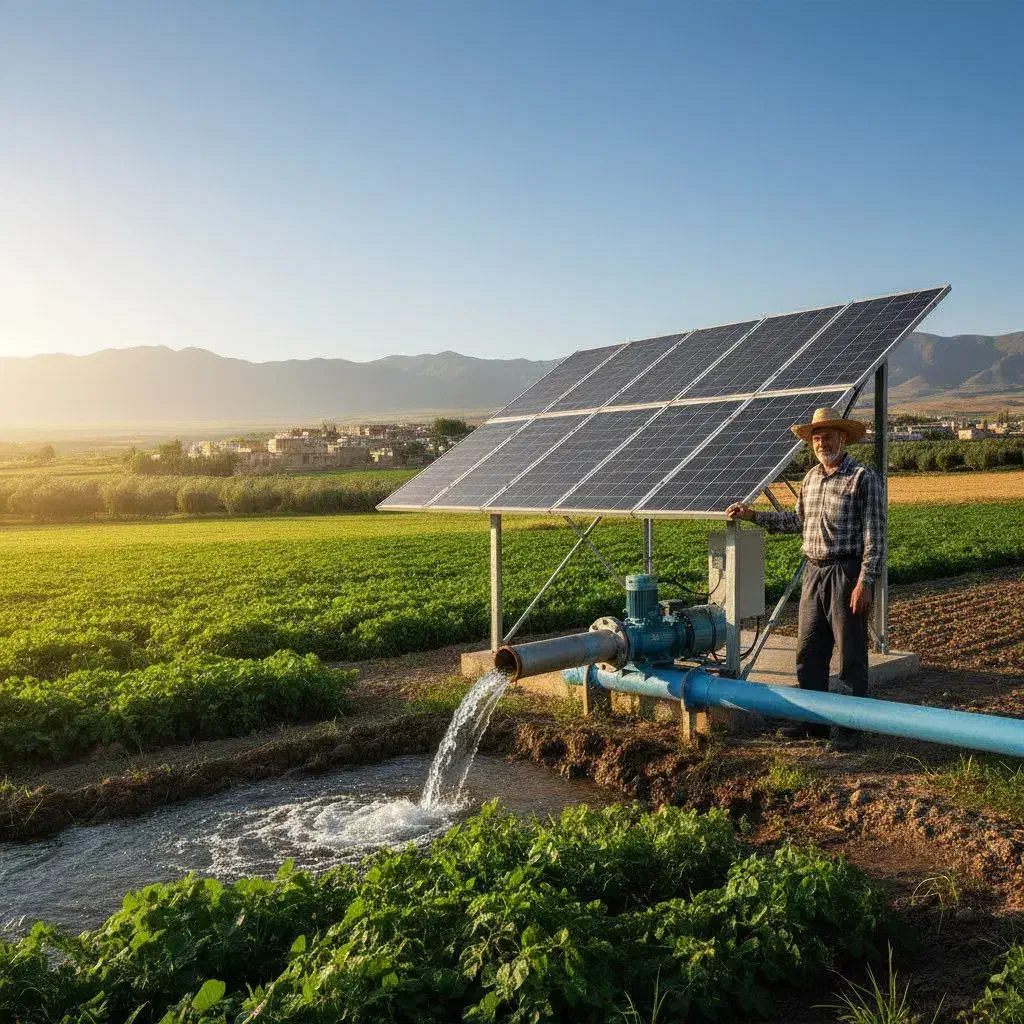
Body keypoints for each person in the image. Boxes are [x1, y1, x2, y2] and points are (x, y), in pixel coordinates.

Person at [725, 406, 883, 751]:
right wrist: (752, 515)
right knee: (809, 651)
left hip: (846, 571)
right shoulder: (810, 478)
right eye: (816, 437)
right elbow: (795, 522)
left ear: (843, 438)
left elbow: (875, 537)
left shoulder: (862, 478)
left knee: (851, 654)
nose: (821, 442)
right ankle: (813, 723)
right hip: (813, 571)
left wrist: (865, 582)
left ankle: (852, 728)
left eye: (828, 436)